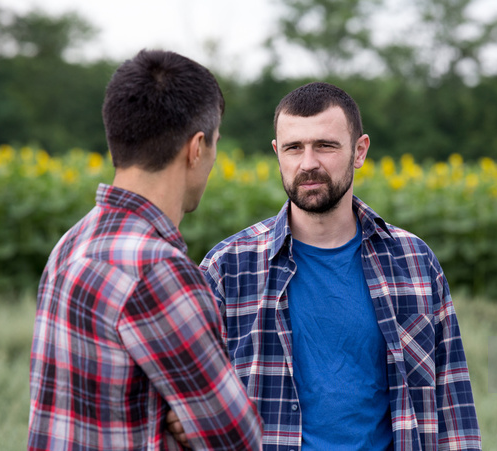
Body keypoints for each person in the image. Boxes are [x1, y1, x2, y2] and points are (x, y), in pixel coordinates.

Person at [171, 81, 481, 450]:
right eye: (293, 148)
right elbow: (188, 411)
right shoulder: (228, 269)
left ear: (359, 151)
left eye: (326, 146)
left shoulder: (413, 262)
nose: (308, 163)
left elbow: (452, 403)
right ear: (277, 153)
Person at [28, 49, 263, 450]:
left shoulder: (72, 243)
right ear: (196, 148)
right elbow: (237, 439)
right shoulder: (157, 270)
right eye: (215, 145)